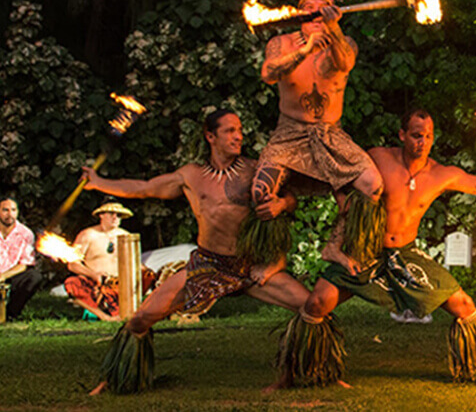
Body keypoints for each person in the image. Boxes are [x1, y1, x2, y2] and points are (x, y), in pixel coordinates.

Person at [276, 109, 476, 388]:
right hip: (365, 252)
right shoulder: (378, 158)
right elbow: (337, 172)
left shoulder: (441, 174)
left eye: (428, 136)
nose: (423, 142)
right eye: (416, 135)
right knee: (316, 303)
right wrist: (343, 200)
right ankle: (291, 376)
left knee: (464, 305)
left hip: (405, 255)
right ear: (402, 135)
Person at [81, 110, 310, 394]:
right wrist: (99, 182)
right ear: (210, 136)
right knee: (141, 319)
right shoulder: (191, 175)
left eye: (239, 130)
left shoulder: (255, 170)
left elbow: (290, 196)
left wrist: (281, 205)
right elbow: (145, 188)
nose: (238, 136)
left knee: (311, 306)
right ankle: (116, 378)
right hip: (207, 265)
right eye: (229, 131)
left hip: (250, 266)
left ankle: (300, 376)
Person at [243, 0, 384, 278]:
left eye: (324, 9)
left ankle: (336, 247)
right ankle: (274, 257)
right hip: (289, 134)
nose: (316, 13)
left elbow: (344, 64)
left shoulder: (344, 44)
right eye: (309, 8)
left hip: (330, 134)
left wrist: (333, 29)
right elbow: (269, 74)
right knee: (261, 192)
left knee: (372, 184)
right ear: (299, 15)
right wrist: (305, 50)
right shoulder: (281, 43)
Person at [63, 198, 156, 321]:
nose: (115, 217)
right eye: (111, 213)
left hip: (121, 285)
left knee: (149, 275)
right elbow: (73, 264)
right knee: (72, 283)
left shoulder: (126, 236)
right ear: (101, 215)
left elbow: (134, 263)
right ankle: (104, 316)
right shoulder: (87, 235)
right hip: (96, 285)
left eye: (118, 215)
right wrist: (93, 275)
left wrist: (145, 272)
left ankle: (139, 309)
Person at [0, 196, 43, 320]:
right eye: (5, 210)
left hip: (11, 276)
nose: (10, 214)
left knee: (34, 276)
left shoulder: (26, 234)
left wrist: (3, 276)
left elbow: (25, 263)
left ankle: (11, 313)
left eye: (13, 210)